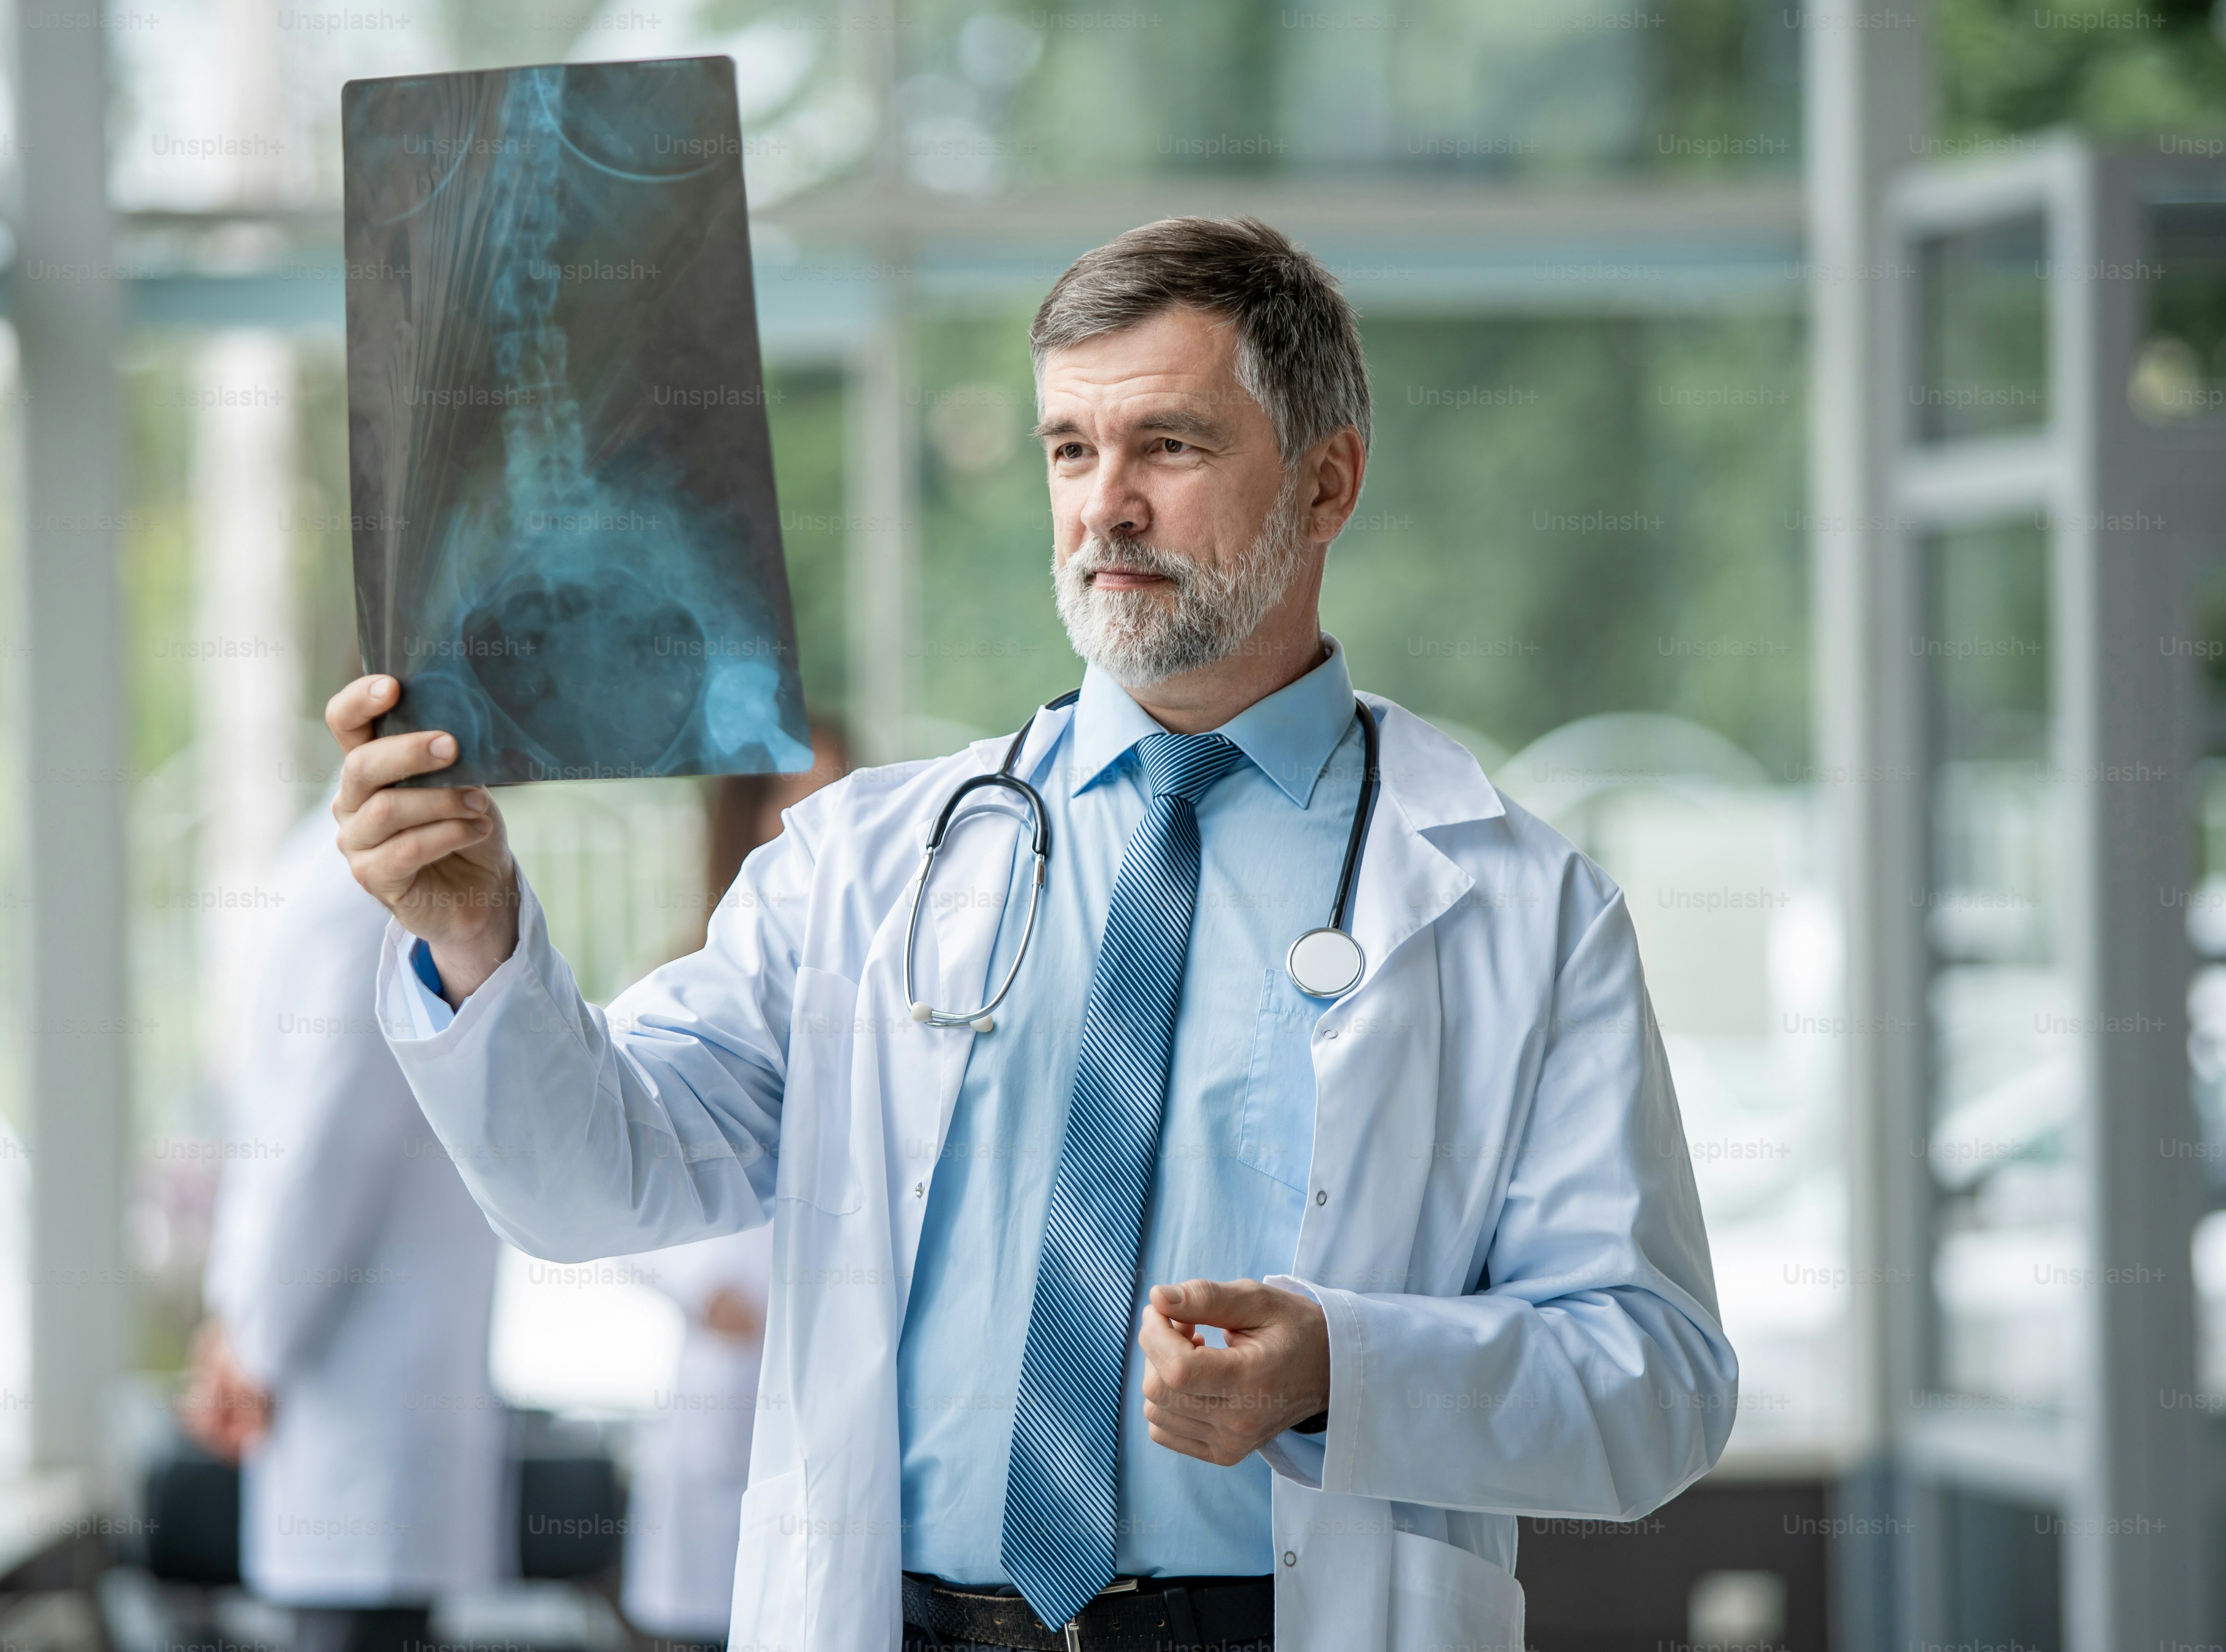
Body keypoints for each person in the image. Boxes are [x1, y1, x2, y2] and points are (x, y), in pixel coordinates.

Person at [323, 217, 1739, 1652]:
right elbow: (598, 1182)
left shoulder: (1516, 905)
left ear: (1327, 481)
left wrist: (1344, 1372)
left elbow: (1659, 1381)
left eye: (1169, 449)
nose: (1104, 507)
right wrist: (475, 940)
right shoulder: (865, 867)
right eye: (1071, 450)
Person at [183, 804, 506, 1652]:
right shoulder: (363, 882)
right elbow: (317, 1147)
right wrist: (252, 1339)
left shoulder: (363, 869)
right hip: (353, 1396)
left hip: (367, 1412)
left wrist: (249, 1334)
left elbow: (316, 1146)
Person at [621, 725, 848, 1652]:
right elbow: (614, 1157)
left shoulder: (880, 990)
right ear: (740, 816)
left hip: (832, 1367)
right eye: (787, 798)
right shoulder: (682, 980)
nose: (808, 824)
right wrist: (695, 1287)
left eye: (832, 797)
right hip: (721, 1371)